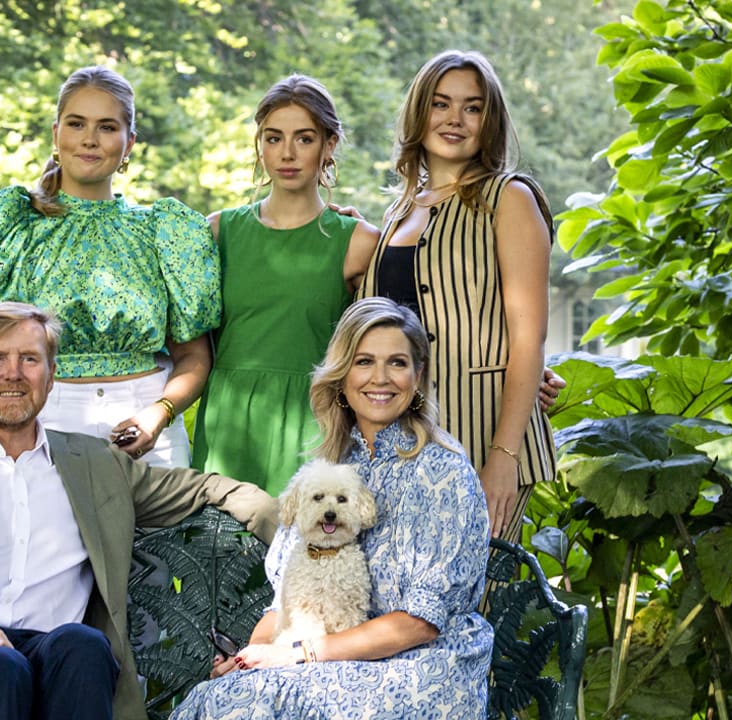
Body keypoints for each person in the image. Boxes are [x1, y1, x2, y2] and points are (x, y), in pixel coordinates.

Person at [0, 302, 277, 720]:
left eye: (29, 359)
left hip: (52, 657)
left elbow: (208, 490)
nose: (13, 374)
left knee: (84, 645)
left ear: (51, 374)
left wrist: (306, 530)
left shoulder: (94, 463)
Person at [172, 297, 492, 719]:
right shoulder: (330, 470)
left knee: (244, 704)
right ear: (341, 377)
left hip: (422, 668)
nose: (381, 378)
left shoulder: (444, 472)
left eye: (397, 363)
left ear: (418, 376)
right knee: (224, 694)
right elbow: (284, 599)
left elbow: (420, 622)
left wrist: (300, 655)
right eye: (364, 361)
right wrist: (252, 657)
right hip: (330, 660)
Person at [0, 66, 218, 467]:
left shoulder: (162, 233)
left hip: (149, 433)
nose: (89, 139)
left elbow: (194, 357)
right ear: (55, 134)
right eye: (77, 123)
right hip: (39, 424)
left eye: (106, 127)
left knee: (165, 533)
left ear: (129, 142)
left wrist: (160, 413)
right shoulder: (14, 226)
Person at [357, 50, 557, 542]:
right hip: (400, 445)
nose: (455, 119)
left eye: (472, 107)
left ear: (489, 121)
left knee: (469, 605)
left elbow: (527, 339)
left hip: (482, 434)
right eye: (441, 104)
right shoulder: (395, 215)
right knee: (404, 605)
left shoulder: (509, 199)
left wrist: (503, 460)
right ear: (419, 112)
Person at [191, 75, 379, 495]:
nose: (287, 153)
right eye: (274, 138)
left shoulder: (359, 241)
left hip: (313, 427)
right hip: (229, 424)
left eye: (304, 138)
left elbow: (408, 330)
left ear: (328, 146)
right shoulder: (218, 231)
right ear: (260, 144)